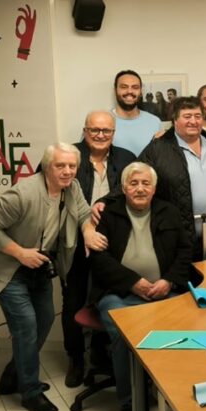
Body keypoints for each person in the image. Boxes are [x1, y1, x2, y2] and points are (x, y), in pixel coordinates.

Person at [0, 143, 107, 411]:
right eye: (60, 166)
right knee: (26, 327)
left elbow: (84, 214)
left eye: (72, 166)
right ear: (47, 166)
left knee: (45, 319)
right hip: (9, 269)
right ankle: (30, 392)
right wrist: (21, 253)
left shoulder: (72, 188)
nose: (67, 171)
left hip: (39, 268)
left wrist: (87, 231)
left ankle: (14, 374)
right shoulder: (22, 193)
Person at [89, 162, 192, 411]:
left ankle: (172, 397)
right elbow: (99, 260)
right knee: (123, 334)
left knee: (181, 330)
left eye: (146, 183)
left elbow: (185, 251)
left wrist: (168, 281)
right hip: (118, 294)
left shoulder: (169, 212)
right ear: (124, 188)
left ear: (154, 189)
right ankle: (129, 402)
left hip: (164, 292)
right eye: (133, 183)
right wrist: (132, 282)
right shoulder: (109, 215)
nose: (140, 189)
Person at [62, 111, 134, 388]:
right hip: (75, 241)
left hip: (112, 244)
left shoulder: (125, 158)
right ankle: (75, 358)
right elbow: (51, 187)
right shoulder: (69, 156)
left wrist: (105, 201)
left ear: (114, 133)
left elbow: (134, 186)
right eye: (95, 130)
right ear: (85, 131)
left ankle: (101, 353)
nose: (101, 135)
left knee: (108, 296)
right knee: (74, 299)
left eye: (106, 131)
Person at [138, 97, 206, 260]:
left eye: (197, 116)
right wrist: (105, 202)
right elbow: (133, 177)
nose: (193, 121)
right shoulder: (158, 148)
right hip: (180, 243)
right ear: (175, 120)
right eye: (187, 116)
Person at [111, 70, 162, 156]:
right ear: (115, 90)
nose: (129, 91)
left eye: (135, 87)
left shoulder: (155, 122)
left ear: (141, 91)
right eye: (124, 87)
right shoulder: (102, 121)